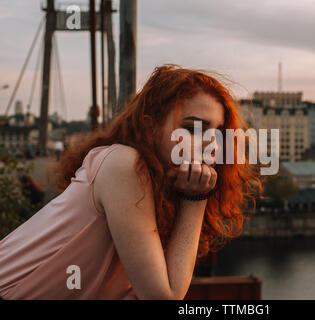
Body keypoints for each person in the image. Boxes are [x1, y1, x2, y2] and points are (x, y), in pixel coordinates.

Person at [0, 64, 261, 300]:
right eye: (193, 128)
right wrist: (195, 199)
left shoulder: (163, 189)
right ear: (150, 127)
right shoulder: (123, 163)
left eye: (217, 132)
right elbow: (163, 297)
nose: (209, 143)